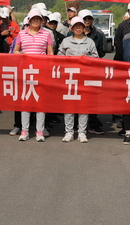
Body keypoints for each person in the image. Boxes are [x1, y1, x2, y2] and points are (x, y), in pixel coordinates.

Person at [14, 9, 54, 142]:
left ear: (41, 20)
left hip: (41, 72)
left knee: (40, 102)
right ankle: (24, 130)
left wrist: (49, 69)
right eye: (33, 18)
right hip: (26, 72)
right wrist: (21, 54)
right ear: (29, 20)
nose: (36, 20)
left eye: (38, 18)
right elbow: (15, 51)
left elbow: (50, 53)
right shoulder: (21, 34)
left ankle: (39, 131)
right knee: (26, 102)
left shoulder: (47, 34)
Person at [57, 16, 99, 142]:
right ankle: (69, 132)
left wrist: (88, 58)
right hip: (70, 78)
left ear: (84, 27)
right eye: (76, 26)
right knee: (69, 106)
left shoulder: (90, 42)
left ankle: (82, 132)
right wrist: (65, 58)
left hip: (85, 78)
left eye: (81, 26)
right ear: (72, 28)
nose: (78, 28)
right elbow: (58, 57)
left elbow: (96, 58)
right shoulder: (65, 41)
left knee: (83, 106)